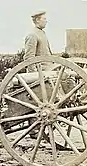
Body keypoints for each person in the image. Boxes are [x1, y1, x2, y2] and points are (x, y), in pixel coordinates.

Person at [23, 11, 53, 139]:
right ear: (37, 20)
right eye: (44, 19)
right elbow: (29, 57)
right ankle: (34, 130)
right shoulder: (32, 35)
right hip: (39, 74)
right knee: (37, 103)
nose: (46, 21)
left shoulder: (42, 33)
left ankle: (40, 128)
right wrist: (33, 76)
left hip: (47, 72)